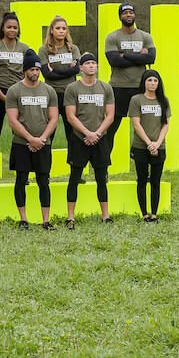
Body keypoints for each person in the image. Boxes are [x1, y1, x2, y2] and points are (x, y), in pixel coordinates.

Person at [5, 52, 59, 230]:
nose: (35, 73)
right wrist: (30, 138)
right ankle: (23, 219)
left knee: (44, 181)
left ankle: (46, 220)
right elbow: (13, 120)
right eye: (32, 69)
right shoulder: (14, 91)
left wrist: (42, 139)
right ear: (24, 71)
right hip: (22, 143)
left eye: (37, 69)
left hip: (43, 143)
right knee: (21, 179)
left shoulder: (49, 90)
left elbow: (53, 118)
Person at [64, 52, 115, 227]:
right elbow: (71, 116)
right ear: (81, 68)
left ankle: (105, 215)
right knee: (75, 177)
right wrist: (87, 133)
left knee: (102, 178)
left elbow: (110, 116)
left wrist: (97, 134)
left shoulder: (106, 88)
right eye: (88, 63)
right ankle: (71, 216)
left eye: (94, 63)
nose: (91, 66)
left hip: (100, 138)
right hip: (80, 138)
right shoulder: (72, 88)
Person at [0, 11, 32, 187]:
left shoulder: (24, 48)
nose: (12, 30)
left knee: (20, 134)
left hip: (18, 93)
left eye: (15, 27)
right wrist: (1, 95)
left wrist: (15, 95)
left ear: (18, 29)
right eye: (9, 27)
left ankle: (22, 172)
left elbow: (27, 72)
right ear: (3, 28)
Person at [103, 3, 156, 148]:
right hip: (118, 87)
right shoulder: (112, 37)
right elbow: (114, 60)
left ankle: (141, 156)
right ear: (120, 16)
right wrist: (139, 56)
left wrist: (124, 55)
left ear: (135, 15)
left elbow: (150, 58)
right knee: (110, 127)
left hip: (140, 87)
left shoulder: (145, 36)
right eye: (125, 12)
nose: (128, 15)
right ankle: (104, 164)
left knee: (144, 126)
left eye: (131, 12)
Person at [128, 69, 170, 222]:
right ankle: (144, 213)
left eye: (155, 81)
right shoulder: (136, 100)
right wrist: (148, 143)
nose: (152, 83)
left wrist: (157, 143)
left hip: (159, 146)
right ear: (144, 83)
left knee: (155, 180)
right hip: (141, 146)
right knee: (142, 179)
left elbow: (165, 124)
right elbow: (136, 124)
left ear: (158, 83)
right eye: (149, 80)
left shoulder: (163, 101)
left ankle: (154, 213)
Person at [37, 14, 82, 141]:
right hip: (52, 95)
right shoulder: (44, 50)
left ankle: (73, 161)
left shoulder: (73, 48)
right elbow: (47, 74)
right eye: (58, 28)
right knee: (48, 134)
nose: (61, 31)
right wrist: (68, 70)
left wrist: (55, 70)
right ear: (51, 30)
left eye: (64, 28)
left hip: (70, 95)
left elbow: (77, 69)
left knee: (72, 134)